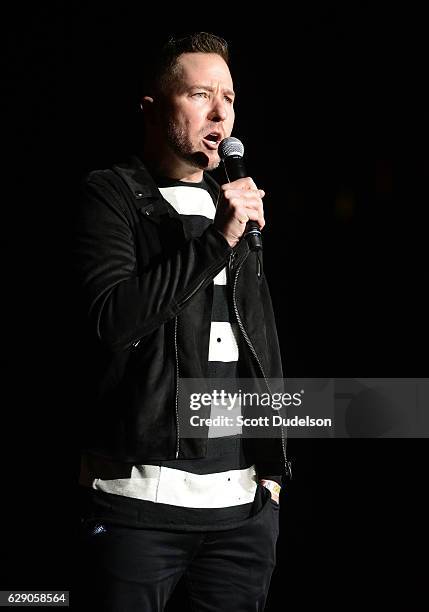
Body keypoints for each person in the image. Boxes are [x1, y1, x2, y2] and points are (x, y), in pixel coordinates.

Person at [72, 31, 291, 611]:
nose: (221, 113)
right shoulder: (112, 195)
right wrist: (217, 239)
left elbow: (259, 340)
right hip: (136, 510)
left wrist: (272, 476)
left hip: (241, 513)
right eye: (200, 94)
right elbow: (114, 322)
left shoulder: (237, 204)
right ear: (152, 108)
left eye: (229, 97)